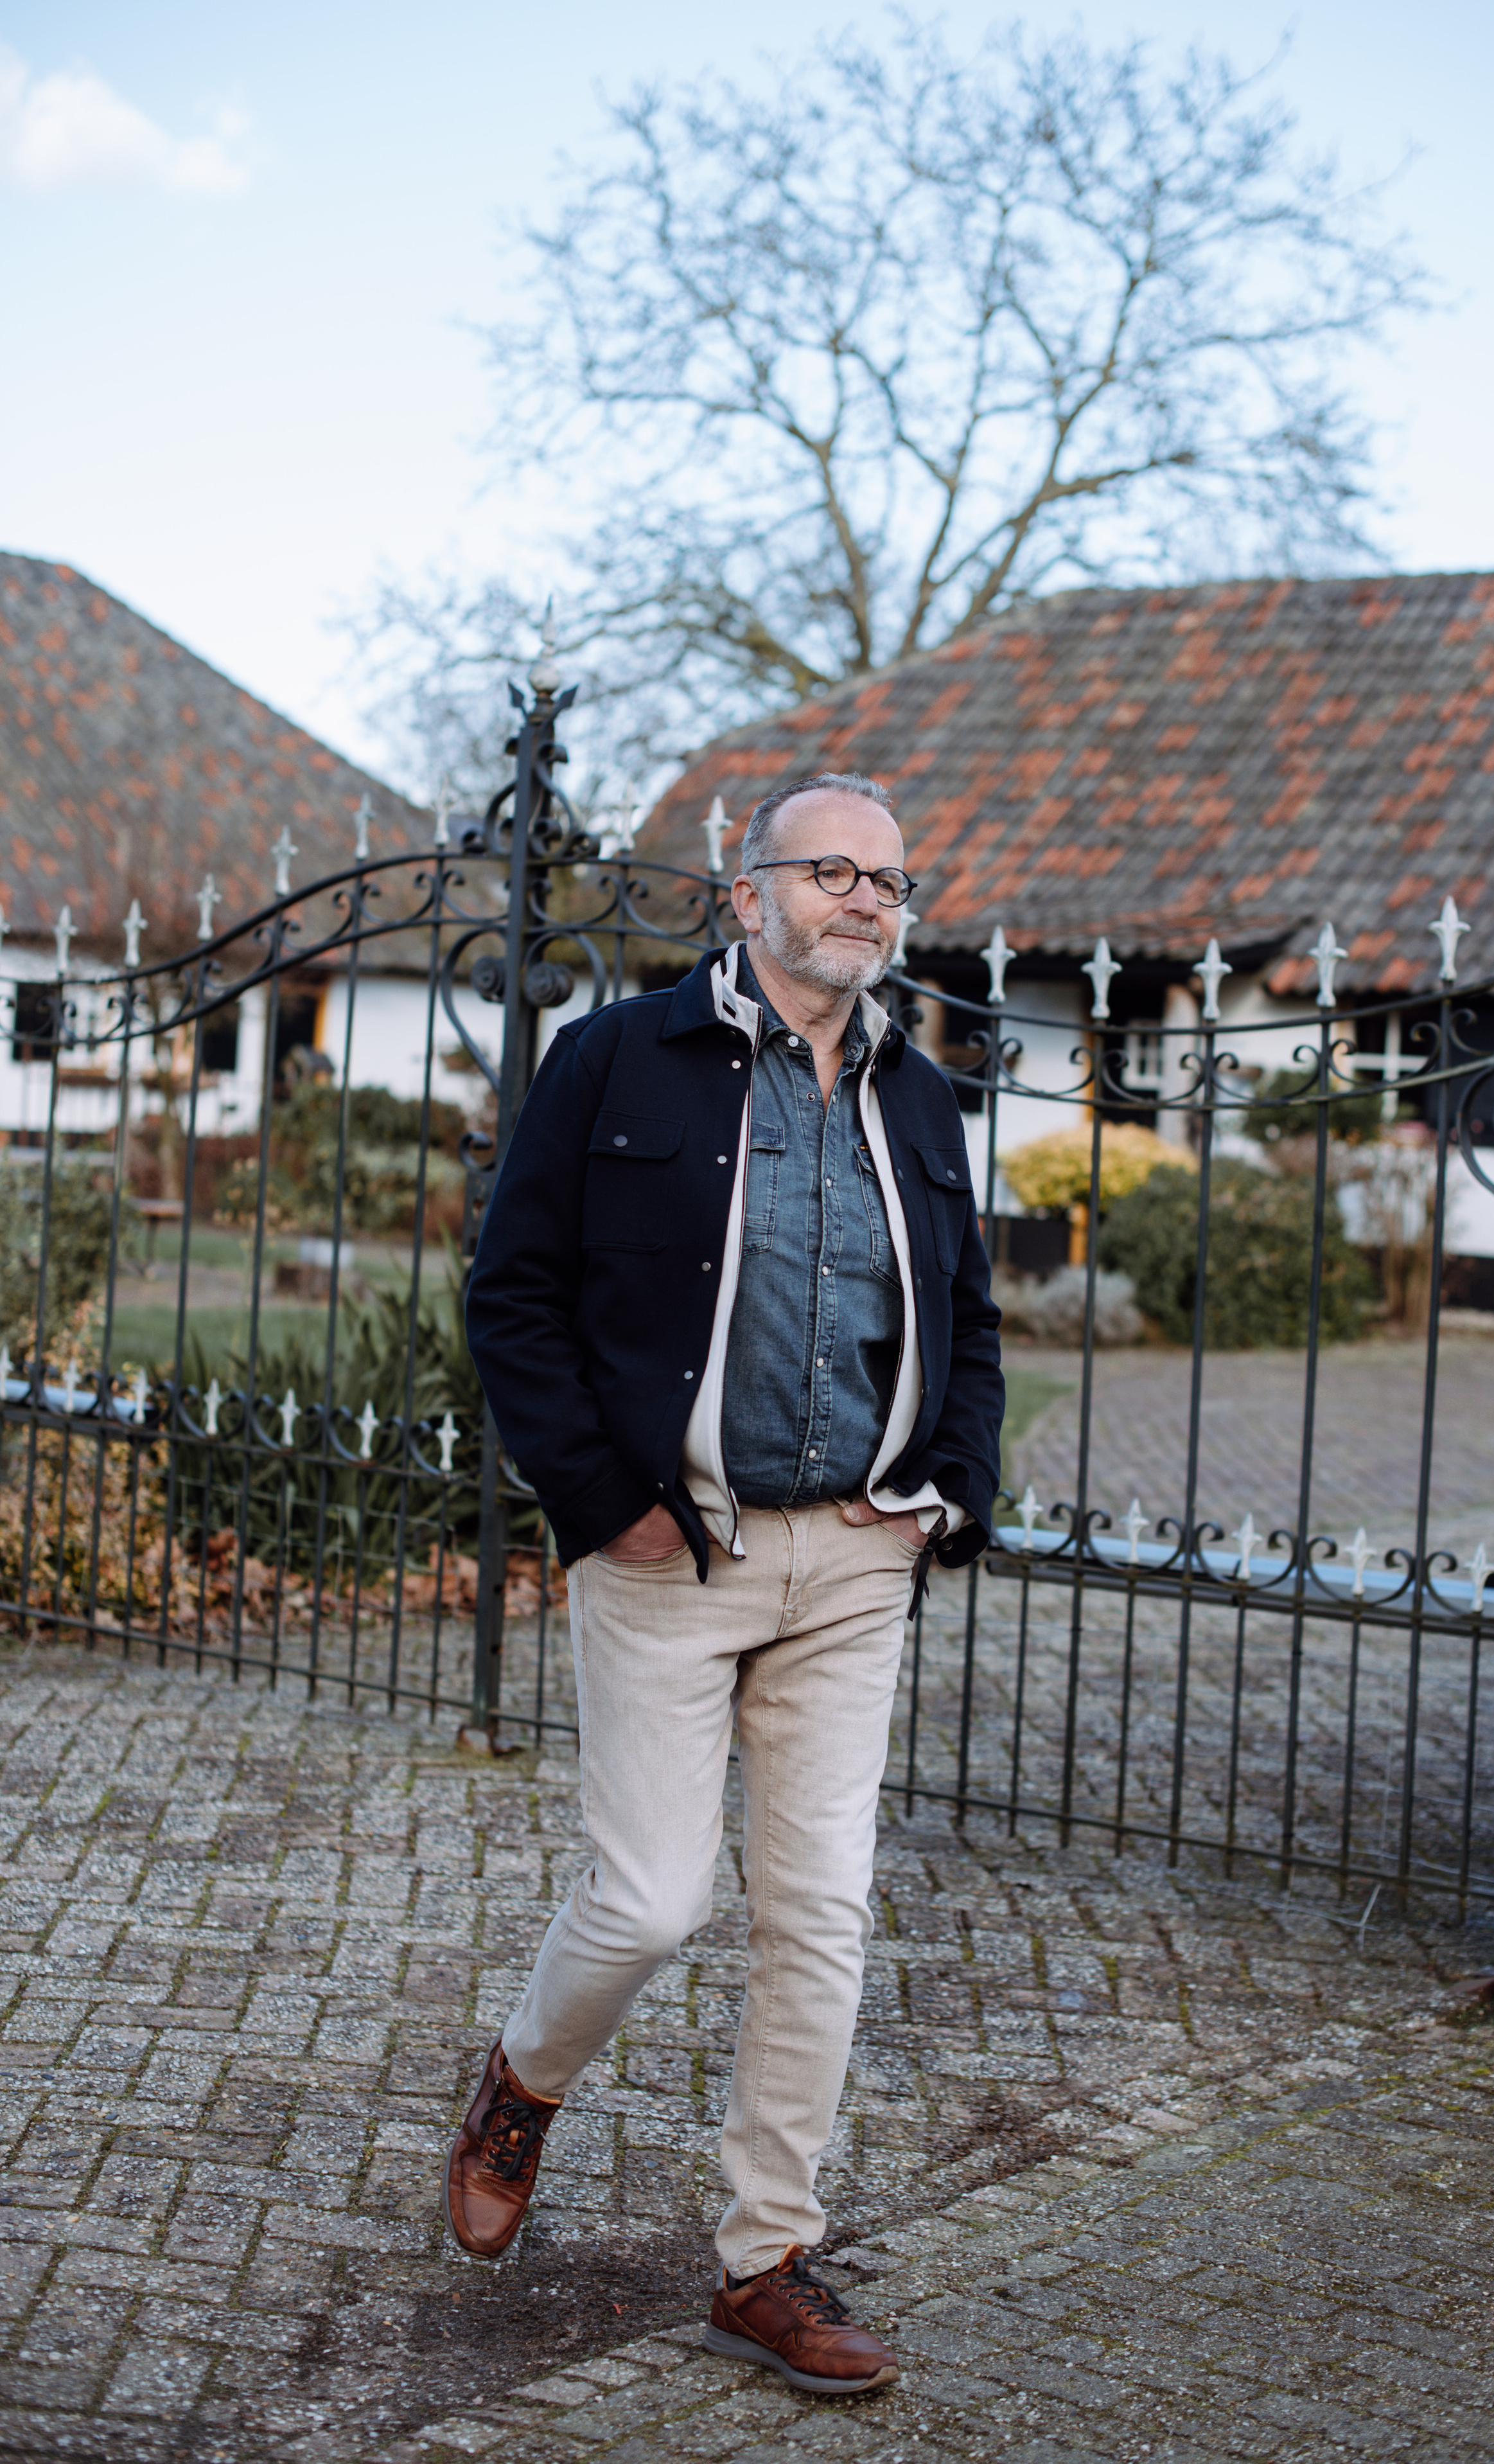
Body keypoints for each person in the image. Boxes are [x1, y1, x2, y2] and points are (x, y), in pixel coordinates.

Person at [451, 770, 1003, 2396]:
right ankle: (520, 2084)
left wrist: (943, 1499)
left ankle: (763, 2258)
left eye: (889, 881)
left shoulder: (917, 1091)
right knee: (646, 1899)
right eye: (831, 870)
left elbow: (962, 1318)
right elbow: (514, 1297)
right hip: (670, 1548)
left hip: (853, 1554)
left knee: (820, 1912)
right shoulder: (616, 1058)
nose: (864, 901)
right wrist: (601, 1499)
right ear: (743, 891)